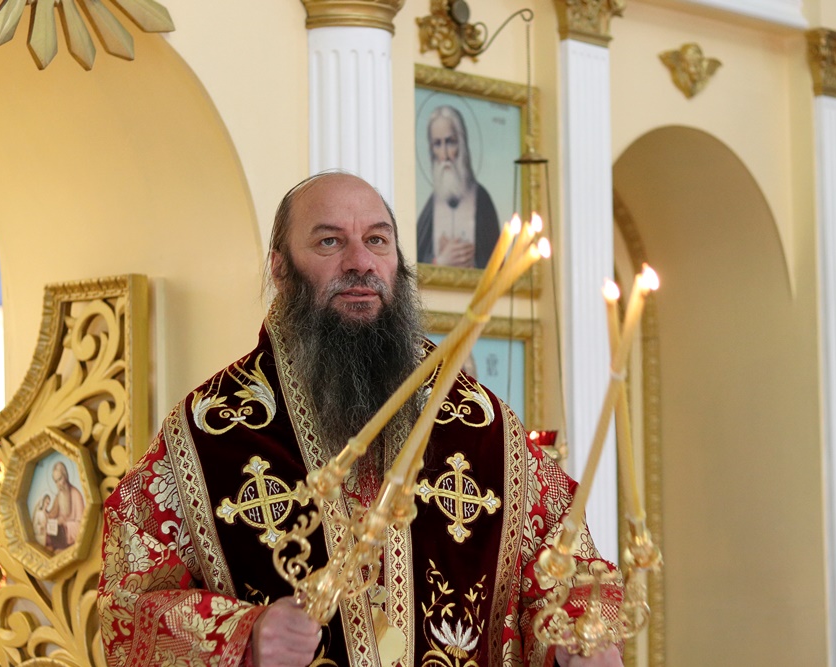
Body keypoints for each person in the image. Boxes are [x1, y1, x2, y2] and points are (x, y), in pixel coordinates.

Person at [98, 172, 622, 667]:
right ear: (279, 267)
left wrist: (581, 632)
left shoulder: (477, 420)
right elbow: (129, 604)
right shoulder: (209, 432)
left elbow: (565, 560)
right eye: (330, 242)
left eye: (377, 240)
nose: (360, 262)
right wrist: (243, 636)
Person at [416, 106, 502, 269]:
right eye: (437, 144)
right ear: (431, 150)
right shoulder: (430, 206)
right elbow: (414, 264)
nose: (445, 155)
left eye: (450, 142)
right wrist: (439, 261)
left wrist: (470, 262)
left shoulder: (482, 200)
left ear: (462, 144)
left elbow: (496, 264)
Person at [45, 460, 85, 551]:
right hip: (58, 535)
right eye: (56, 481)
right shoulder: (58, 496)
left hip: (68, 535)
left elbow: (82, 524)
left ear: (65, 476)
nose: (58, 484)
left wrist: (63, 525)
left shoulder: (76, 494)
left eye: (60, 479)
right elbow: (52, 515)